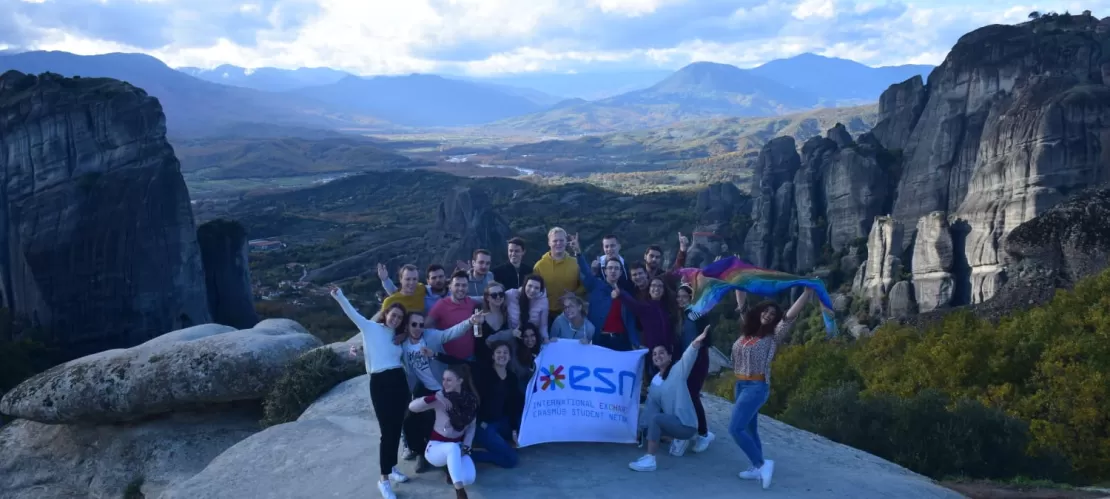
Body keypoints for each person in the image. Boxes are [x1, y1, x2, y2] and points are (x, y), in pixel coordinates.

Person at [329, 286, 410, 499]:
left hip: (399, 380)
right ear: (386, 314)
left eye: (399, 317)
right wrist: (339, 294)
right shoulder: (370, 327)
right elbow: (352, 313)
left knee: (397, 426)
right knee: (387, 431)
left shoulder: (399, 335)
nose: (395, 319)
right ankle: (383, 479)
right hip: (380, 381)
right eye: (393, 315)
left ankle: (392, 468)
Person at [730, 288, 814, 489]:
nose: (768, 316)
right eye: (765, 312)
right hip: (740, 385)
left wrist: (806, 292)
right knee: (750, 428)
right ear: (759, 312)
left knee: (735, 428)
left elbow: (790, 316)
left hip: (756, 386)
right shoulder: (747, 329)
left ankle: (761, 464)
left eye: (772, 314)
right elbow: (742, 301)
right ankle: (755, 467)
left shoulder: (773, 336)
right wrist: (738, 277)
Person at [399, 309, 484, 474]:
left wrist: (470, 321)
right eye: (413, 324)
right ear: (407, 326)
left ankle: (448, 459)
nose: (418, 328)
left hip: (443, 386)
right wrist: (359, 351)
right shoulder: (403, 345)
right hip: (423, 387)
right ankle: (420, 453)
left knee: (445, 421)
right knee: (410, 419)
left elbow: (450, 333)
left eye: (421, 325)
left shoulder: (431, 336)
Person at [629, 327, 710, 472]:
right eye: (654, 354)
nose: (657, 356)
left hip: (686, 425)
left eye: (661, 353)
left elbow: (688, 356)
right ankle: (677, 440)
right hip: (672, 424)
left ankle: (650, 459)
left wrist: (696, 342)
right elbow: (650, 407)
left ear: (669, 356)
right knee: (651, 421)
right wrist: (640, 429)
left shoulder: (678, 370)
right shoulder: (655, 381)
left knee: (656, 419)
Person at [407, 365, 481, 499]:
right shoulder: (440, 398)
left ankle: (451, 472)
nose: (444, 383)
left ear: (460, 381)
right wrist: (432, 398)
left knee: (469, 478)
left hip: (457, 447)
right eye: (443, 379)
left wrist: (467, 446)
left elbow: (471, 427)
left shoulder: (470, 400)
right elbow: (412, 407)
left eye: (449, 380)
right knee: (452, 448)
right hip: (435, 448)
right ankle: (460, 492)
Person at [572, 236, 640, 352]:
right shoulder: (596, 286)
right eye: (610, 268)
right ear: (604, 271)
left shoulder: (625, 296)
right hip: (600, 340)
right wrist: (578, 253)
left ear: (620, 272)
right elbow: (586, 272)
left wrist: (636, 343)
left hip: (621, 342)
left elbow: (630, 321)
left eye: (616, 269)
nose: (613, 271)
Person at [471, 341, 523, 468]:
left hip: (502, 421)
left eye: (505, 353)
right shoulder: (484, 373)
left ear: (510, 357)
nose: (502, 355)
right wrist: (436, 355)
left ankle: (497, 446)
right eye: (498, 352)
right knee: (511, 460)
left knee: (520, 442)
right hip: (485, 424)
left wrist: (514, 430)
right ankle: (470, 454)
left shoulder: (512, 377)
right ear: (493, 356)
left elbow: (513, 405)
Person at [675, 284, 714, 452]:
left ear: (691, 298)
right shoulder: (680, 316)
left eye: (684, 296)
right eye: (679, 296)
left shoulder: (696, 314)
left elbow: (708, 339)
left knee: (692, 395)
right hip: (685, 360)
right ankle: (691, 430)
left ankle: (704, 434)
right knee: (685, 396)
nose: (681, 299)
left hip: (698, 360)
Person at [427, 270, 481, 361]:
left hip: (470, 357)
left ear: (468, 288)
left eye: (464, 285)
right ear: (450, 287)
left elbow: (486, 299)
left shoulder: (471, 302)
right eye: (457, 285)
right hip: (449, 360)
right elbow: (425, 325)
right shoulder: (441, 305)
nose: (460, 288)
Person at [532, 227, 583, 322]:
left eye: (561, 240)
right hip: (546, 315)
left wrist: (574, 294)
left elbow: (584, 285)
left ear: (566, 242)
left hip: (570, 313)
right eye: (555, 241)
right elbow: (533, 291)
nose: (558, 243)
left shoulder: (575, 263)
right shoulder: (539, 266)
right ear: (549, 243)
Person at [380, 263, 450, 311]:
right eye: (408, 279)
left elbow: (438, 285)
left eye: (414, 279)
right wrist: (385, 280)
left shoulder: (420, 288)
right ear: (401, 279)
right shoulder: (389, 302)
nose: (412, 283)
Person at [506, 274, 549, 341]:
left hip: (531, 338)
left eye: (536, 288)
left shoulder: (543, 301)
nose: (532, 290)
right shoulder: (511, 294)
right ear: (524, 285)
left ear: (540, 290)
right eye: (530, 286)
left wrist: (545, 338)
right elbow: (494, 297)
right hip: (512, 335)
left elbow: (543, 325)